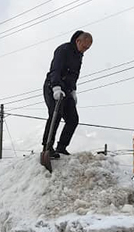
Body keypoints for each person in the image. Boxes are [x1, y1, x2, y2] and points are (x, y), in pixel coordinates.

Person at [42, 30, 93, 158]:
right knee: (56, 113)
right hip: (53, 86)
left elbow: (75, 75)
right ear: (78, 41)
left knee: (73, 119)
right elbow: (56, 69)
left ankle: (61, 147)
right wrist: (56, 87)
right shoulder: (63, 50)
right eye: (84, 46)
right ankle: (47, 147)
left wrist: (74, 90)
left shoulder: (79, 55)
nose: (85, 50)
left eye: (88, 48)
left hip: (67, 90)